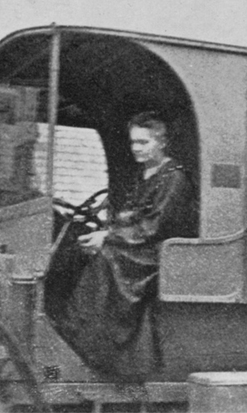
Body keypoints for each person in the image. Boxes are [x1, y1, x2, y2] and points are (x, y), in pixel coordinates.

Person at [54, 111, 197, 379]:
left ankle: (104, 351)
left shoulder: (175, 178)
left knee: (107, 258)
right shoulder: (144, 174)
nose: (136, 149)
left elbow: (153, 227)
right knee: (77, 252)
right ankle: (76, 338)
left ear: (162, 142)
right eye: (133, 143)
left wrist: (107, 238)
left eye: (143, 143)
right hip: (137, 245)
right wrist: (104, 232)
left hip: (158, 252)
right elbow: (131, 216)